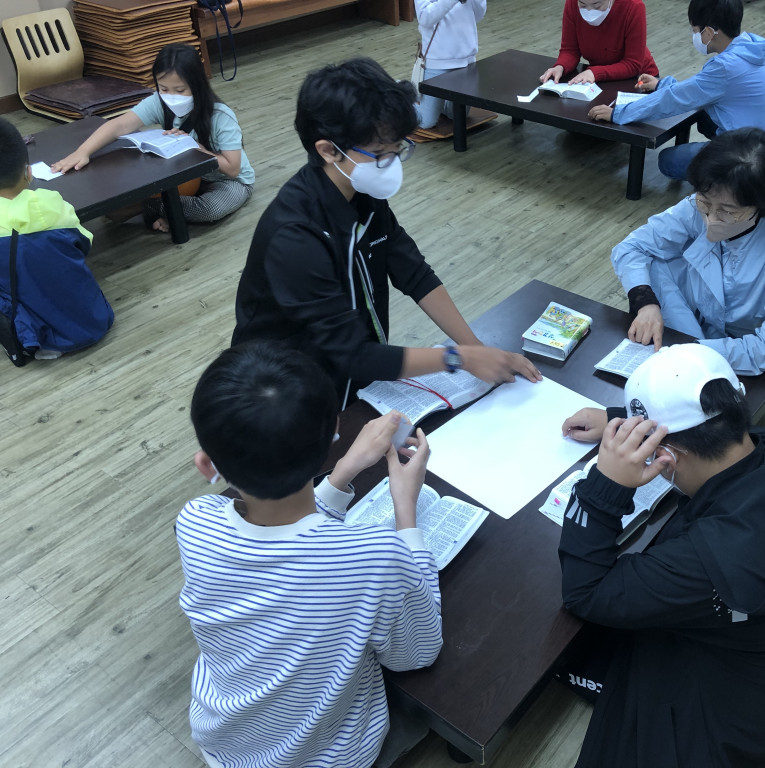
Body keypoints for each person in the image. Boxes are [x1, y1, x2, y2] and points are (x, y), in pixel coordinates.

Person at [558, 343, 765, 768]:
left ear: (665, 456)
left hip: (745, 724)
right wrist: (616, 421)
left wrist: (605, 486)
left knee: (597, 654)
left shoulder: (709, 560)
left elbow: (585, 592)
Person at [179, 341, 441, 768]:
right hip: (325, 757)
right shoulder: (375, 557)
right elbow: (417, 652)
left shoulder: (194, 520)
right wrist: (405, 511)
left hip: (226, 744)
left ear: (207, 465)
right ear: (334, 432)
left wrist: (344, 473)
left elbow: (285, 538)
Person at [232, 58, 540, 408]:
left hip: (354, 371)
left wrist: (475, 349)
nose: (391, 163)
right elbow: (352, 354)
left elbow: (414, 273)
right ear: (328, 150)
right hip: (283, 394)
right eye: (380, 154)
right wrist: (458, 358)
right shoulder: (295, 236)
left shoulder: (361, 192)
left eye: (397, 150)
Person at [612, 127, 765, 385]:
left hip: (754, 359)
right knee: (653, 261)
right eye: (705, 203)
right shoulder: (702, 202)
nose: (711, 218)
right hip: (706, 328)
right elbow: (632, 247)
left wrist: (694, 351)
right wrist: (646, 303)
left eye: (728, 212)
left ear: (761, 206)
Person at [52, 43, 254, 233]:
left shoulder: (221, 116)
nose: (171, 96)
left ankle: (151, 206)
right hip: (188, 177)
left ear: (198, 85)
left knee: (210, 210)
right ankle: (172, 210)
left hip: (229, 181)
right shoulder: (159, 102)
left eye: (180, 90)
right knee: (125, 185)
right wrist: (82, 152)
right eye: (163, 88)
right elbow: (119, 125)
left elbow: (233, 169)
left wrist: (196, 148)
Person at [587, 0, 765, 181]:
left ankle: (740, 177)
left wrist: (618, 113)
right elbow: (698, 89)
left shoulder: (726, 67)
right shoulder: (749, 48)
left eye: (695, 31)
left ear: (708, 33)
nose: (694, 36)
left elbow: (675, 99)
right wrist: (661, 84)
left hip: (751, 155)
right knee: (703, 117)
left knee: (668, 161)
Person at [0, 117, 113, 362]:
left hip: (38, 336)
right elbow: (84, 244)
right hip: (95, 319)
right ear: (28, 172)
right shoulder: (52, 202)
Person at [539, 0, 658, 85]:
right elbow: (570, 50)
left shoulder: (633, 7)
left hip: (641, 80)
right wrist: (560, 67)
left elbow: (633, 64)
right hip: (599, 79)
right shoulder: (572, 3)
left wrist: (595, 73)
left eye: (597, 5)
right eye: (582, 4)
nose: (589, 10)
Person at [414, 0, 486, 129]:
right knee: (426, 121)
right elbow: (424, 18)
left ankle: (435, 102)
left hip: (466, 61)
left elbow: (478, 15)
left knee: (456, 115)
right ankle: (400, 92)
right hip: (437, 62)